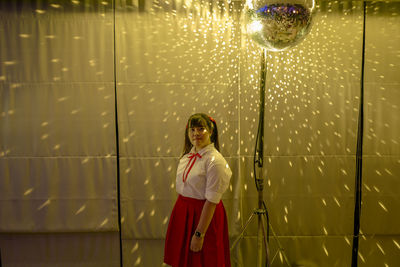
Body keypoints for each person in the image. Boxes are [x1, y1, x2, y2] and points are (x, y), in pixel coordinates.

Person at [164, 113, 232, 267]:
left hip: (203, 216)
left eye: (201, 129)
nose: (196, 133)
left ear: (211, 131)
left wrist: (199, 234)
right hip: (184, 213)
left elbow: (212, 200)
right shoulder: (188, 156)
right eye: (192, 130)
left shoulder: (215, 162)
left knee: (204, 260)